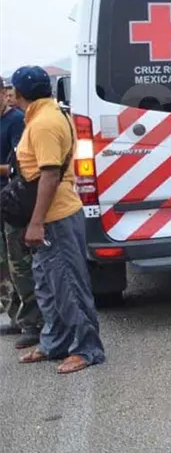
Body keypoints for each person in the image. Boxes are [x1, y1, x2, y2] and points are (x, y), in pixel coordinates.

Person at [9, 66, 105, 374]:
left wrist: (36, 222)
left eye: (12, 90)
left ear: (20, 94)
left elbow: (49, 174)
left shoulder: (45, 124)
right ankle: (55, 342)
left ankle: (87, 349)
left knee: (68, 286)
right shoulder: (47, 115)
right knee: (47, 285)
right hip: (49, 216)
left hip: (55, 217)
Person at [0, 76, 41, 349]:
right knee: (5, 266)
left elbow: (18, 167)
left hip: (14, 202)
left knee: (20, 265)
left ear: (4, 94)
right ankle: (15, 315)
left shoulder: (16, 122)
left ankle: (33, 323)